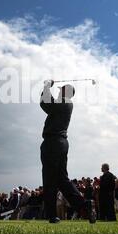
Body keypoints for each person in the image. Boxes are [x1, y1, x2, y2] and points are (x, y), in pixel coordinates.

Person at [40, 79, 96, 224]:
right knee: (61, 179)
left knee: (50, 179)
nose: (58, 91)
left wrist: (46, 86)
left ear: (66, 92)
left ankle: (52, 215)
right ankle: (83, 206)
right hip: (60, 143)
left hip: (53, 142)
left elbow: (45, 103)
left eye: (60, 89)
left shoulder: (64, 101)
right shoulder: (66, 103)